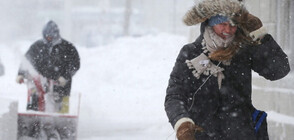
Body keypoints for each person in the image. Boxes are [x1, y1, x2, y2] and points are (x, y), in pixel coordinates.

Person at [164, 0, 290, 140]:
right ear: (211, 22)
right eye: (222, 24)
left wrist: (260, 33)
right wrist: (182, 124)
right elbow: (174, 95)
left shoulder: (244, 51)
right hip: (202, 135)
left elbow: (279, 70)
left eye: (233, 25)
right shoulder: (190, 52)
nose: (228, 30)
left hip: (241, 134)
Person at [16, 20, 80, 113]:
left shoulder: (67, 47)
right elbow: (27, 61)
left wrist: (65, 77)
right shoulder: (37, 46)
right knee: (34, 99)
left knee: (61, 109)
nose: (48, 38)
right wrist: (21, 74)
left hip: (61, 85)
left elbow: (75, 64)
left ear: (56, 35)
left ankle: (61, 124)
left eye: (50, 36)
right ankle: (33, 120)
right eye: (46, 36)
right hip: (40, 82)